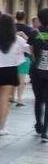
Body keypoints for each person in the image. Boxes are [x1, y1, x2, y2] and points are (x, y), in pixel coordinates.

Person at [0, 14, 28, 135]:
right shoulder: (17, 39)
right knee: (5, 98)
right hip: (10, 69)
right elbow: (29, 49)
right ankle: (3, 127)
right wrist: (25, 37)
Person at [30, 8, 48, 143]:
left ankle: (39, 125)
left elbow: (30, 51)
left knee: (38, 99)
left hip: (36, 71)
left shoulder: (34, 33)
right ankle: (45, 131)